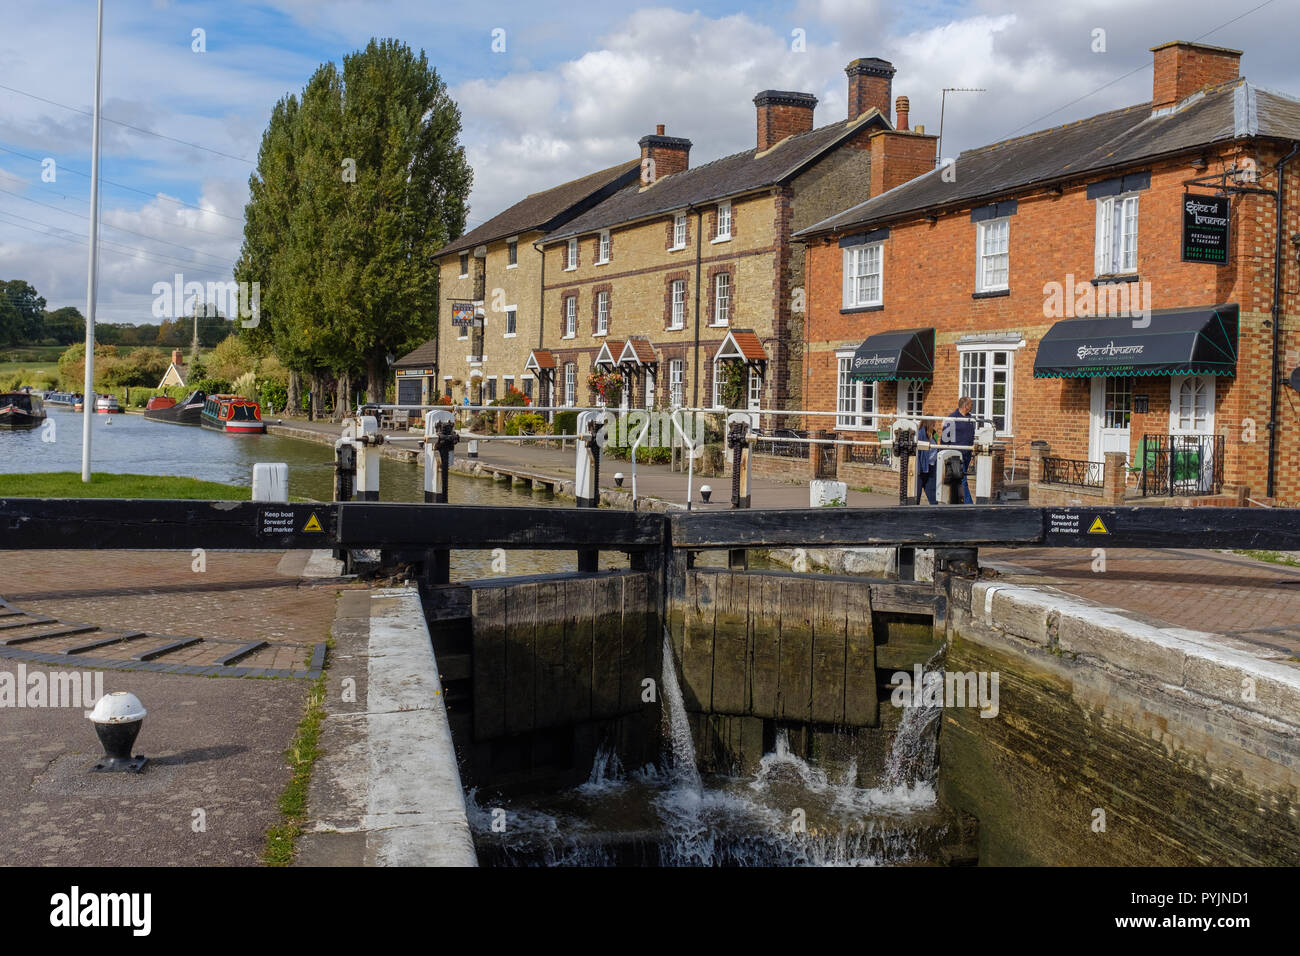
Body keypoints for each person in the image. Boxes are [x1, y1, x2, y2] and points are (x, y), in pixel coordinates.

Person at [941, 395, 976, 504]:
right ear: (965, 406)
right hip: (955, 455)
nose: (972, 406)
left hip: (966, 454)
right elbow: (944, 439)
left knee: (958, 480)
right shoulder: (951, 418)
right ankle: (969, 505)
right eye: (971, 404)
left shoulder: (971, 419)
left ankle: (956, 503)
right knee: (962, 480)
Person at [916, 419, 938, 504]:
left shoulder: (932, 434)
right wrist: (918, 468)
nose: (934, 426)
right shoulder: (921, 434)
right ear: (929, 424)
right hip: (922, 468)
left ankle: (935, 515)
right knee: (916, 495)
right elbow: (918, 452)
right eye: (933, 424)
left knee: (932, 495)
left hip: (931, 467)